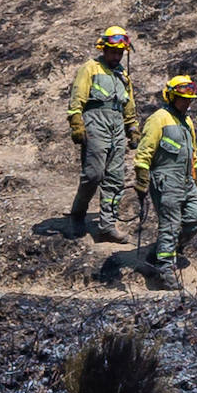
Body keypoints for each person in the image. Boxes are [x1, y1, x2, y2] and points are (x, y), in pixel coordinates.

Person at [66, 26, 140, 242]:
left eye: (120, 53)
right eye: (113, 52)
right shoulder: (90, 68)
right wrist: (76, 123)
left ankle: (107, 225)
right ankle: (77, 214)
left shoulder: (123, 76)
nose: (116, 56)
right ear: (104, 49)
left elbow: (129, 105)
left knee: (115, 178)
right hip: (95, 123)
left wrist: (133, 128)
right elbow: (77, 97)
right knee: (93, 174)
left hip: (116, 126)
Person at [133, 75, 197, 289]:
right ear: (171, 97)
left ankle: (165, 249)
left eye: (190, 99)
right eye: (183, 98)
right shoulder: (159, 119)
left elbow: (194, 153)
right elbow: (144, 151)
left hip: (185, 180)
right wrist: (142, 177)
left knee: (196, 216)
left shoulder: (187, 122)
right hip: (166, 180)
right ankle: (164, 269)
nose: (187, 102)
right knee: (170, 224)